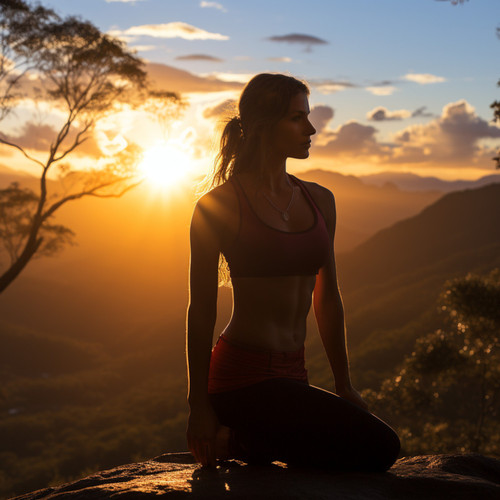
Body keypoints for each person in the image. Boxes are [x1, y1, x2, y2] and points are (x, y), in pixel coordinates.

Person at [186, 73, 400, 471]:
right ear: (265, 127)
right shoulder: (218, 207)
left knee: (356, 448)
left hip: (294, 375)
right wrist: (198, 405)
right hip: (240, 380)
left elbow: (328, 296)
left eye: (308, 116)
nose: (311, 129)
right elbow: (200, 312)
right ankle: (241, 439)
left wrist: (344, 385)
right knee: (381, 446)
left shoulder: (320, 200)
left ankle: (244, 442)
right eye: (297, 118)